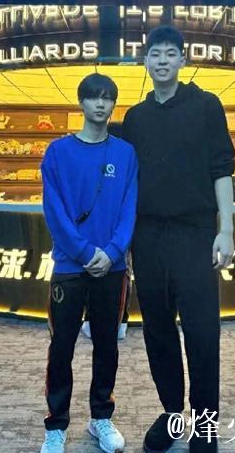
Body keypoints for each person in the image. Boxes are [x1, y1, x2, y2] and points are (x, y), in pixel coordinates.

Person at [121, 25, 235, 453]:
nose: (163, 60)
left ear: (182, 60)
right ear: (145, 62)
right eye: (155, 54)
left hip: (195, 234)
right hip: (148, 237)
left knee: (203, 333)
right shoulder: (135, 118)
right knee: (157, 333)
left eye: (170, 53)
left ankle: (204, 425)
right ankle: (172, 415)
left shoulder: (206, 106)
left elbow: (221, 170)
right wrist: (126, 242)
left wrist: (226, 230)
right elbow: (129, 185)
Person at [40, 73, 138, 453]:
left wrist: (111, 253)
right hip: (69, 266)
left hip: (112, 269)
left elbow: (129, 209)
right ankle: (56, 425)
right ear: (81, 102)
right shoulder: (58, 152)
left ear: (114, 104)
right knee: (61, 346)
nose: (101, 104)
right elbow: (54, 211)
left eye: (107, 98)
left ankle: (101, 417)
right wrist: (84, 253)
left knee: (107, 346)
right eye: (94, 97)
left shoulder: (125, 154)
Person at [81, 122, 132, 342]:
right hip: (123, 235)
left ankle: (92, 320)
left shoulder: (99, 159)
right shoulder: (129, 160)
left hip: (98, 232)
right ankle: (121, 321)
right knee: (123, 277)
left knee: (95, 277)